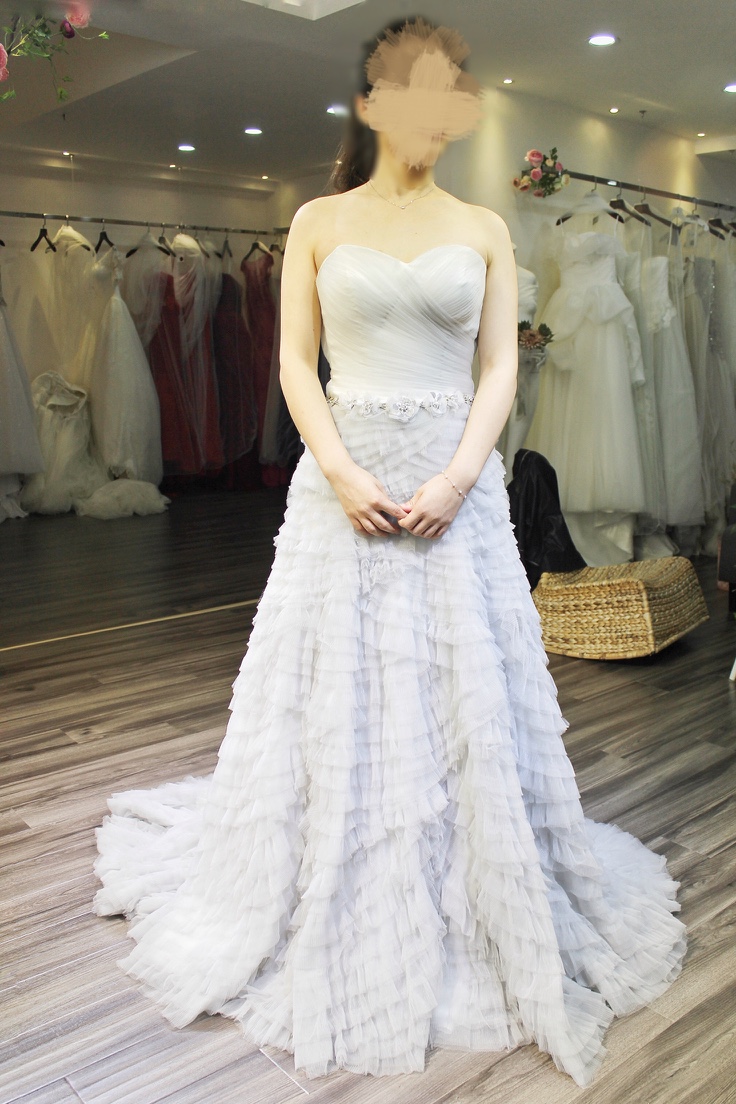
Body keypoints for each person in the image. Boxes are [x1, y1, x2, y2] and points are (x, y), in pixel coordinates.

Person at [93, 15, 687, 1089]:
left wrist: (460, 476)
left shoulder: (484, 227)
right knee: (339, 682)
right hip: (348, 485)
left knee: (466, 686)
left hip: (455, 491)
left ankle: (475, 875)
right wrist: (337, 467)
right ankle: (329, 865)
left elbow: (499, 368)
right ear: (371, 103)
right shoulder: (318, 220)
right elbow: (293, 362)